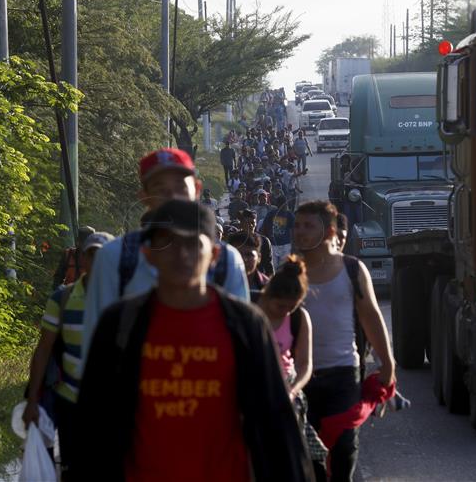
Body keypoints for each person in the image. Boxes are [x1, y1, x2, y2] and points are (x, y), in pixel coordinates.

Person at [73, 200, 313, 481]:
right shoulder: (119, 324)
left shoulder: (245, 324)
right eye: (166, 243)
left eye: (192, 244)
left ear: (213, 254)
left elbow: (275, 422)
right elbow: (92, 422)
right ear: (148, 254)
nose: (180, 254)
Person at [80, 148, 249, 374]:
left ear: (197, 190)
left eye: (180, 187)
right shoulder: (115, 258)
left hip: (210, 395)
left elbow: (243, 349)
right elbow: (96, 348)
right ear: (143, 197)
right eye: (160, 189)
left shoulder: (227, 260)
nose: (172, 198)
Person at [294, 200, 396, 482]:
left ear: (328, 231)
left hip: (343, 375)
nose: (299, 232)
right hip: (301, 379)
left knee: (343, 448)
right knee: (311, 457)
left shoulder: (353, 269)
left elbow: (371, 318)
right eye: (297, 225)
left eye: (308, 226)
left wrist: (387, 364)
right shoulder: (289, 273)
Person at [23, 231, 113, 479]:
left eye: (103, 257)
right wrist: (32, 400)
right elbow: (43, 351)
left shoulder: (125, 300)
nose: (97, 262)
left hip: (111, 403)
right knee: (73, 468)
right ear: (83, 259)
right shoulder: (62, 299)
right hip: (70, 400)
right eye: (92, 255)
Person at [258, 257, 328, 464]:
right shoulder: (248, 311)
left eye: (293, 306)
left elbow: (305, 365)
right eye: (281, 306)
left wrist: (293, 390)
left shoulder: (299, 318)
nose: (286, 312)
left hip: (285, 392)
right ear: (268, 295)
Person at [226, 231, 269, 304]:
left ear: (259, 258)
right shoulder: (218, 283)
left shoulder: (267, 288)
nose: (243, 259)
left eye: (249, 255)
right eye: (238, 253)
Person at [51, 226, 95, 290]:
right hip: (69, 294)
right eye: (83, 242)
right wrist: (60, 291)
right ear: (78, 241)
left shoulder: (98, 257)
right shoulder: (68, 254)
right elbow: (58, 277)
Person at [240, 208, 274, 277]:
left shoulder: (264, 241)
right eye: (247, 223)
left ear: (256, 223)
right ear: (241, 223)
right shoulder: (235, 240)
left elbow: (269, 266)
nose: (250, 225)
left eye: (253, 223)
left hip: (259, 280)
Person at [261, 201, 295, 268]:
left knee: (275, 266)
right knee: (280, 266)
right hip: (282, 244)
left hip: (279, 244)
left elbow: (264, 228)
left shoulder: (271, 214)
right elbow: (293, 230)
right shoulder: (289, 214)